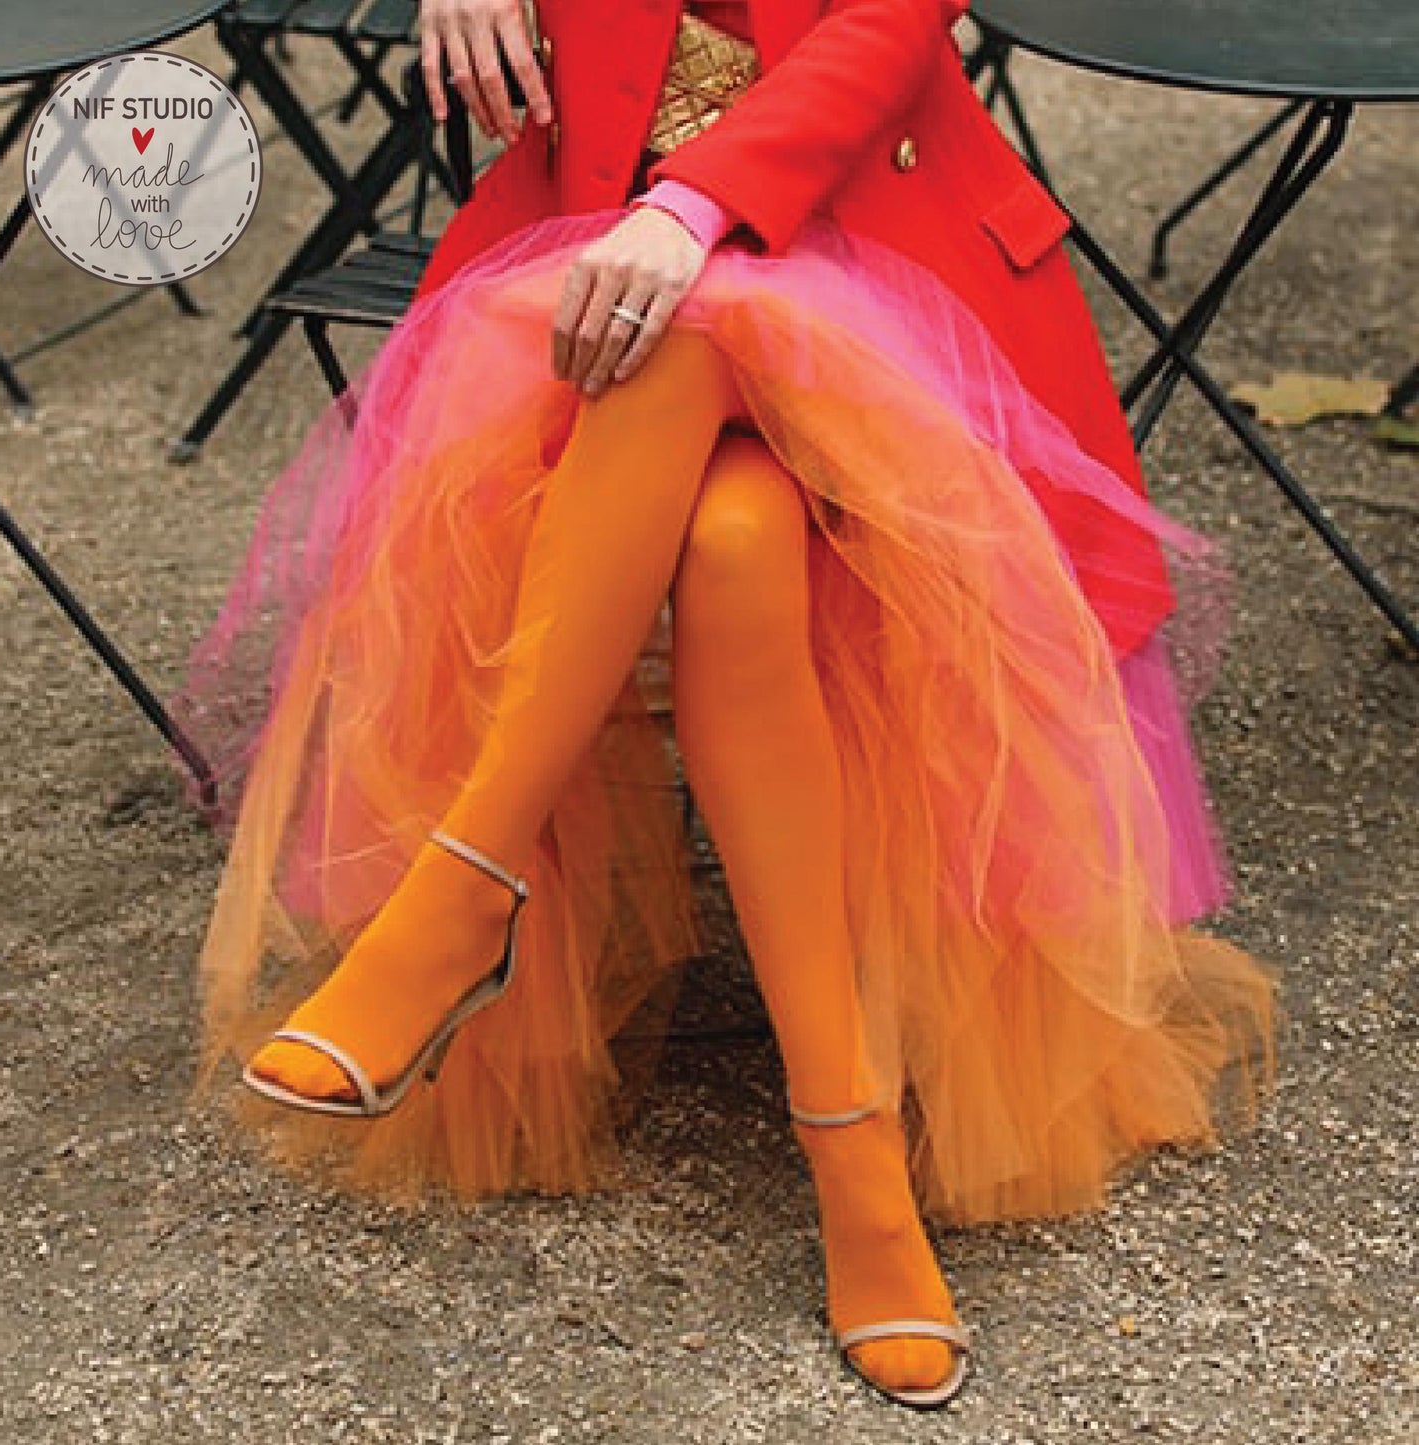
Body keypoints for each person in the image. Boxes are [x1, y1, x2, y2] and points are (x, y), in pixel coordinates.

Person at [177, 0, 1280, 1412]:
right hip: (593, 257)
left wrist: (697, 203)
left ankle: (462, 897)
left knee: (698, 346)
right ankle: (851, 1154)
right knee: (732, 540)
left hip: (879, 267)